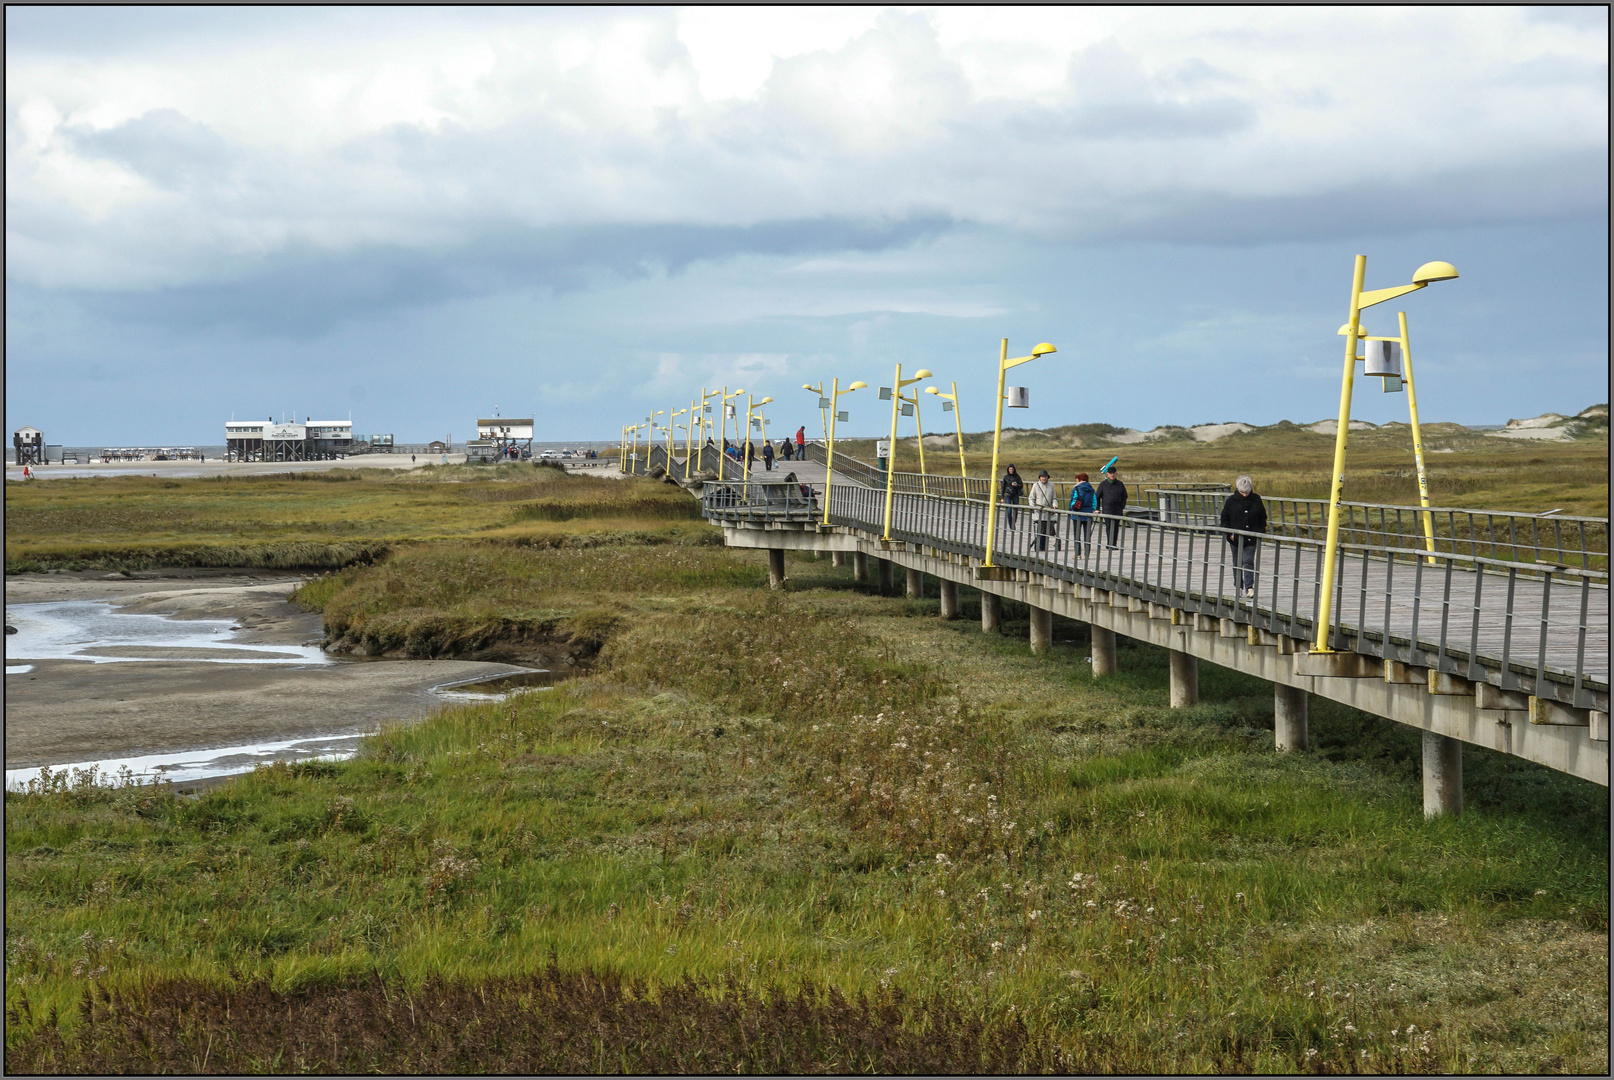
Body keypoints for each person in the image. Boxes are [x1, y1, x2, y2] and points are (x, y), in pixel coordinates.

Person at [1219, 474, 1268, 597]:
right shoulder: (1230, 501)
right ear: (1238, 490)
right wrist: (1229, 534)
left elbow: (1262, 517)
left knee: (1248, 561)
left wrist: (1260, 531)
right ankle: (1238, 586)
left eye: (1247, 492)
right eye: (1242, 492)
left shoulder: (1256, 499)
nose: (1245, 494)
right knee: (1237, 562)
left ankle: (1249, 588)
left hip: (1251, 538)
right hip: (1235, 539)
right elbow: (1224, 520)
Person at [1097, 465, 1127, 547]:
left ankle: (1114, 543)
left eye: (1114, 473)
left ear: (1116, 474)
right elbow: (1097, 497)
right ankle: (1109, 543)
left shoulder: (1120, 484)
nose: (1112, 475)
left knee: (1116, 527)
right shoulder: (1103, 484)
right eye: (1110, 473)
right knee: (1109, 527)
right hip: (1107, 509)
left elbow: (1125, 496)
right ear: (1107, 474)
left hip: (1117, 510)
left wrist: (1122, 506)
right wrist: (1097, 508)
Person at [1028, 469, 1058, 551]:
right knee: (1040, 530)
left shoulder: (1051, 485)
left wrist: (1055, 505)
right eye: (1042, 477)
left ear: (1047, 477)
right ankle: (1038, 547)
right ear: (1039, 478)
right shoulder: (1036, 485)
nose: (1044, 478)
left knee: (1046, 530)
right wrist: (1033, 506)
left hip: (1048, 511)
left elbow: (1054, 498)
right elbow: (1031, 498)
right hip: (1039, 511)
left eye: (1045, 477)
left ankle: (1043, 547)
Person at [1068, 472, 1096, 560]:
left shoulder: (1076, 488)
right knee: (1087, 535)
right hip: (1088, 514)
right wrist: (1092, 509)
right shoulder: (1091, 489)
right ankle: (1087, 555)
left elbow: (1073, 500)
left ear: (1080, 479)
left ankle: (1078, 554)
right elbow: (1094, 502)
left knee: (1077, 535)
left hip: (1077, 514)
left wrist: (1071, 509)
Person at [999, 464, 1024, 530]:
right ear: (1008, 470)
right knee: (1009, 510)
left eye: (1012, 469)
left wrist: (1017, 485)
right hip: (1008, 495)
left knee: (1016, 510)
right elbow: (1003, 487)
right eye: (1010, 469)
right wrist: (1002, 497)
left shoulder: (1017, 476)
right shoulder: (1005, 477)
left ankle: (1013, 522)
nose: (1011, 471)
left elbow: (1021, 485)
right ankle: (1011, 525)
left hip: (1015, 494)